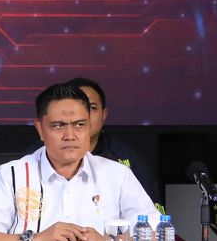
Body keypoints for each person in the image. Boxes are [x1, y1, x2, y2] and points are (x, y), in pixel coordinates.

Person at [0, 81, 152, 241]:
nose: (70, 136)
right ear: (40, 129)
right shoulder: (12, 174)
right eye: (59, 126)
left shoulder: (117, 175)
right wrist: (36, 239)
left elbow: (158, 237)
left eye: (79, 125)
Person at [65, 76, 162, 209]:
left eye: (92, 107)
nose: (84, 115)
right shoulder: (38, 158)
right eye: (76, 107)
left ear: (104, 115)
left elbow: (151, 217)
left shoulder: (129, 161)